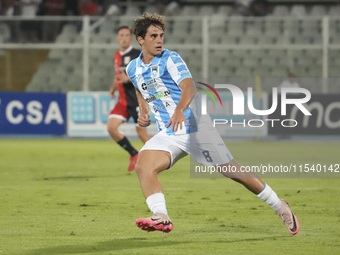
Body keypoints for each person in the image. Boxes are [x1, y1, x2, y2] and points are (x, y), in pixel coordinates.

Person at [126, 12, 300, 234]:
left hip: (196, 128)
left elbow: (189, 86)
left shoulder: (170, 58)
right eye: (153, 36)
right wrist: (144, 110)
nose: (159, 40)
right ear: (140, 39)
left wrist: (179, 110)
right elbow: (137, 86)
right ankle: (161, 216)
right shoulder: (132, 67)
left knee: (234, 172)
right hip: (169, 133)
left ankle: (280, 206)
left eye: (161, 35)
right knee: (143, 165)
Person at [108, 25, 150, 172]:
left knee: (141, 132)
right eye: (121, 35)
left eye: (127, 35)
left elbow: (146, 75)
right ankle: (133, 154)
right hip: (123, 101)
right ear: (117, 38)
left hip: (136, 99)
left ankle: (158, 158)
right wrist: (113, 88)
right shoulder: (117, 56)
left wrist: (130, 79)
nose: (124, 38)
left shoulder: (137, 55)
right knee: (111, 128)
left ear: (130, 38)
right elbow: (118, 75)